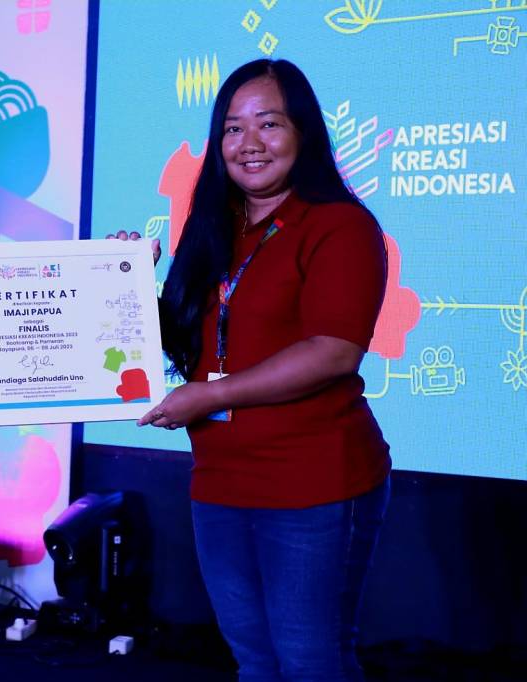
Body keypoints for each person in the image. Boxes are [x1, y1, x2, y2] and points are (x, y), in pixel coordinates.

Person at [138, 59, 391, 681]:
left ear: (303, 132)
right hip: (220, 481)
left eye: (269, 123)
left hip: (314, 481)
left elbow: (333, 350)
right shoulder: (213, 228)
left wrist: (208, 397)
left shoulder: (340, 225)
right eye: (232, 128)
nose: (249, 142)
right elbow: (185, 340)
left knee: (311, 662)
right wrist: (121, 284)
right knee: (253, 659)